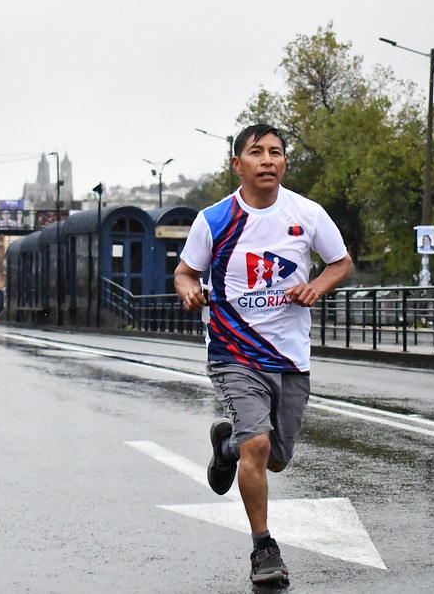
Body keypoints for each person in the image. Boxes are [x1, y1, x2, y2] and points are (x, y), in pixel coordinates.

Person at [174, 124, 353, 585]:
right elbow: (185, 273)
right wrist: (190, 290)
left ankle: (226, 446)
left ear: (285, 163)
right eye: (257, 153)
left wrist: (315, 287)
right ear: (238, 164)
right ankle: (264, 550)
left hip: (290, 356)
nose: (268, 160)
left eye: (276, 153)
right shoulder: (213, 220)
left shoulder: (307, 213)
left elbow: (341, 262)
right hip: (234, 352)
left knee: (274, 457)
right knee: (258, 443)